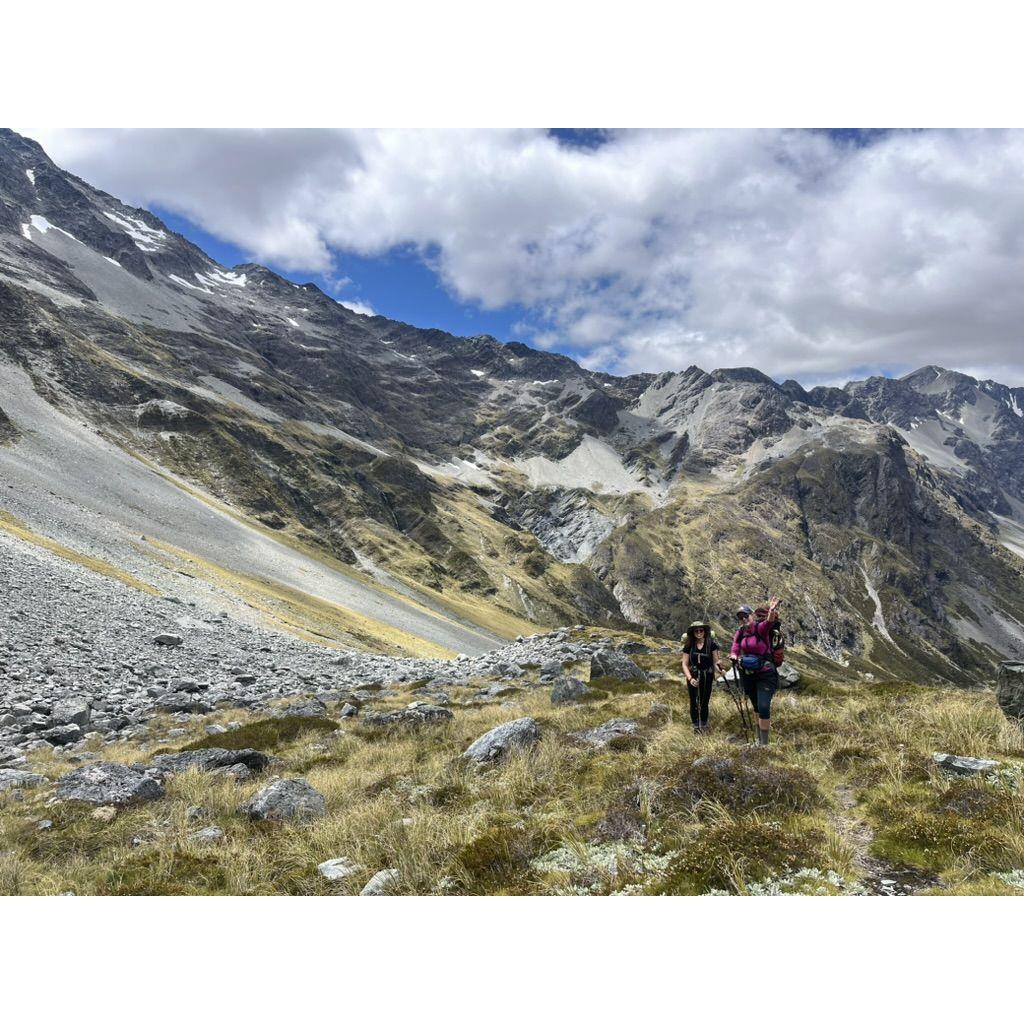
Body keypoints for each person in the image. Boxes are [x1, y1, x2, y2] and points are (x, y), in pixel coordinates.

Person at [730, 596, 782, 746]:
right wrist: (734, 655)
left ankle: (764, 745)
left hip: (766, 673)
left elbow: (769, 622)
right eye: (741, 617)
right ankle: (759, 741)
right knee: (756, 707)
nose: (744, 619)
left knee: (764, 706)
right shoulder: (740, 632)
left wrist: (772, 610)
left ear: (752, 615)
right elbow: (735, 647)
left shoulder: (760, 629)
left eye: (746, 615)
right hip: (748, 674)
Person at [681, 621, 723, 733]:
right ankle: (696, 725)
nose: (699, 632)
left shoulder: (711, 644)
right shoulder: (689, 645)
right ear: (693, 632)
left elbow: (716, 662)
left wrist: (720, 670)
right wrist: (690, 678)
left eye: (701, 630)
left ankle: (704, 724)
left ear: (705, 631)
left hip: (707, 676)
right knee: (693, 701)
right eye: (696, 631)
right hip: (693, 676)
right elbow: (684, 664)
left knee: (704, 701)